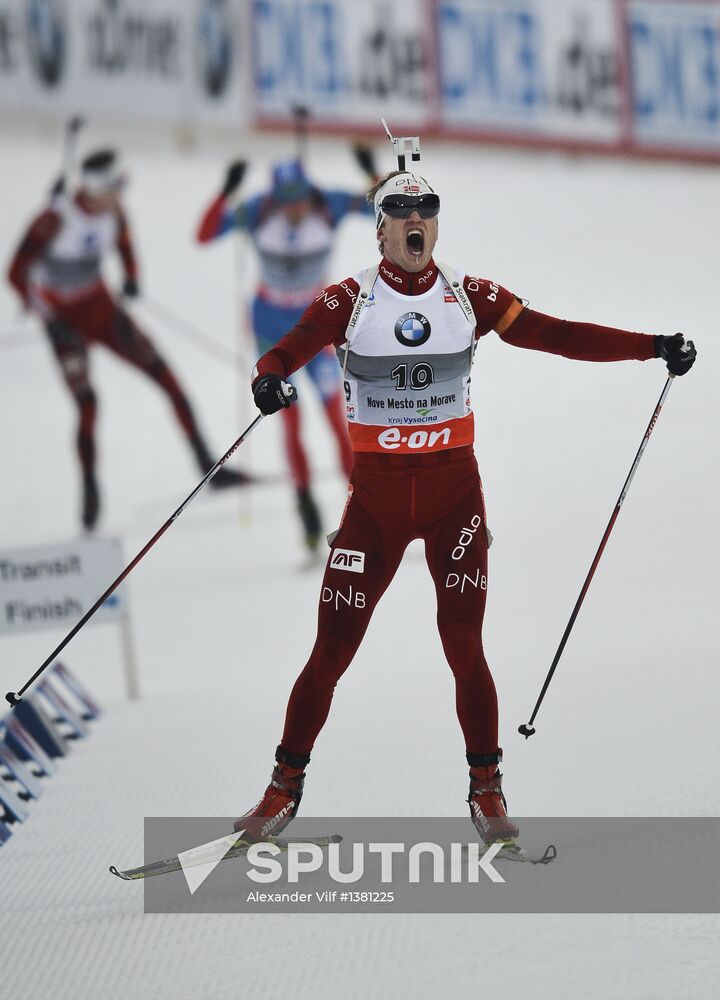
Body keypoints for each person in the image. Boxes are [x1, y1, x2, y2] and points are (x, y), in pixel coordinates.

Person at [237, 159, 696, 845]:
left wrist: (650, 347)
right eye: (401, 214)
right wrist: (268, 378)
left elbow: (558, 335)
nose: (416, 223)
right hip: (376, 509)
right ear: (381, 231)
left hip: (455, 502)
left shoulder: (468, 295)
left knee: (464, 646)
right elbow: (289, 348)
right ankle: (282, 791)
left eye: (426, 213)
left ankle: (487, 790)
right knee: (330, 650)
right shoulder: (350, 301)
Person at [7, 148, 250, 531]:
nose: (122, 194)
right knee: (87, 404)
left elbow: (124, 245)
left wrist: (131, 276)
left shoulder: (113, 212)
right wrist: (46, 317)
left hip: (103, 312)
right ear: (95, 188)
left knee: (166, 376)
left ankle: (209, 465)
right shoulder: (54, 219)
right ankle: (89, 491)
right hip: (64, 323)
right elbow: (16, 272)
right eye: (116, 186)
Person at [196, 149, 378, 552]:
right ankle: (305, 506)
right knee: (290, 421)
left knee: (336, 417)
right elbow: (205, 234)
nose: (293, 209)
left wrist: (370, 171)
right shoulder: (259, 210)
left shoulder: (327, 205)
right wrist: (225, 192)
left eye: (299, 198)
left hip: (317, 326)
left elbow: (385, 208)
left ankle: (363, 509)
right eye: (285, 200)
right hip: (272, 333)